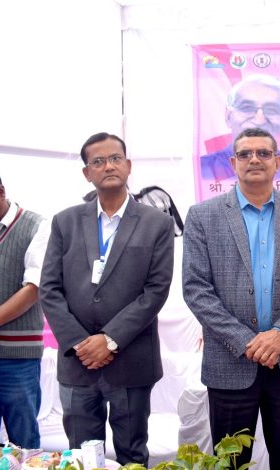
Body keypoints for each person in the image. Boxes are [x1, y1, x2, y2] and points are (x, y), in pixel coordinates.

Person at [183, 127, 280, 468]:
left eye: (263, 153)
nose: (254, 160)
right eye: (245, 154)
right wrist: (247, 342)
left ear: (277, 162)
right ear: (233, 163)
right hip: (229, 363)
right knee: (230, 464)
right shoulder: (203, 216)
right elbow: (196, 289)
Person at [40, 132, 174, 465]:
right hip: (78, 362)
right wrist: (80, 344)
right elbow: (49, 289)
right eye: (98, 161)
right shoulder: (65, 221)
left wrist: (110, 340)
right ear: (87, 173)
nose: (108, 166)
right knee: (82, 456)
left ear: (128, 165)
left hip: (131, 359)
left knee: (132, 455)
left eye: (115, 159)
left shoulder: (157, 223)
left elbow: (156, 290)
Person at [0, 168, 50, 449]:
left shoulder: (36, 226)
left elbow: (34, 289)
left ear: (1, 192)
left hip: (16, 354)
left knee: (23, 440)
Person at [199, 74, 280, 182]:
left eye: (271, 110)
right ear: (228, 116)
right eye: (247, 108)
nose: (259, 120)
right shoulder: (199, 169)